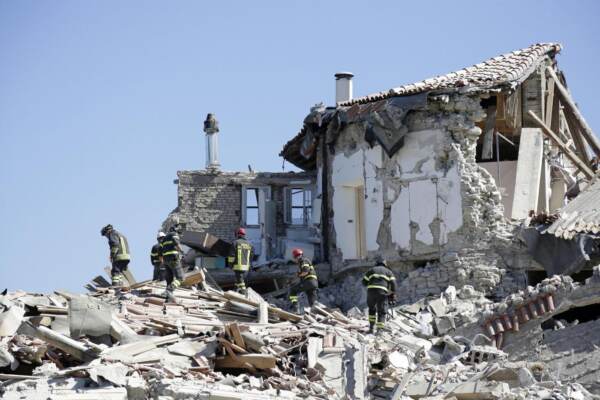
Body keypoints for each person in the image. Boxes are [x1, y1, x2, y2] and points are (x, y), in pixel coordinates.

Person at [362, 257, 396, 333]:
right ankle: (379, 330)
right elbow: (394, 284)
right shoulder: (388, 272)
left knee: (372, 309)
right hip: (382, 292)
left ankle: (371, 328)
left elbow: (364, 282)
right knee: (381, 310)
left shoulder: (371, 270)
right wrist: (392, 294)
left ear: (376, 263)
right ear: (385, 264)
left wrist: (371, 284)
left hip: (371, 291)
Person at [288, 248, 318, 313]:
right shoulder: (302, 263)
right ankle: (315, 313)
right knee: (311, 300)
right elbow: (299, 275)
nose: (295, 260)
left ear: (296, 256)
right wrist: (292, 280)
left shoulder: (304, 261)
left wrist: (298, 276)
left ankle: (295, 308)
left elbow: (305, 272)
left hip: (309, 282)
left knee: (293, 290)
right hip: (313, 283)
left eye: (294, 258)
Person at [160, 225, 184, 301]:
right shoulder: (174, 234)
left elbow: (161, 251)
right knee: (180, 278)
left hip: (166, 260)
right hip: (173, 258)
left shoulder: (164, 239)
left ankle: (167, 296)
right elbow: (177, 244)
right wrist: (182, 252)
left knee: (169, 279)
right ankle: (169, 290)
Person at [227, 228, 253, 295]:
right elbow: (251, 256)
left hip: (238, 267)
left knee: (241, 283)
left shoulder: (235, 243)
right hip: (246, 267)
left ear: (238, 234)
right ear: (244, 235)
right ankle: (234, 292)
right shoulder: (249, 244)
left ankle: (245, 294)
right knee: (238, 280)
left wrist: (230, 265)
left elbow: (231, 256)